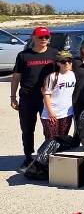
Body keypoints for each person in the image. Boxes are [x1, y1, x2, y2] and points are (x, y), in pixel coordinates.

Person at [10, 26, 57, 171]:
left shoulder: (54, 54)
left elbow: (63, 74)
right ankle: (28, 157)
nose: (43, 40)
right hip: (27, 97)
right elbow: (16, 76)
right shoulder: (23, 55)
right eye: (40, 37)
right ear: (33, 37)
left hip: (47, 99)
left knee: (49, 130)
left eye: (46, 37)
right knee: (27, 129)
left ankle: (46, 157)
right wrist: (13, 97)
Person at [41, 51, 77, 140]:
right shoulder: (52, 77)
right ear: (58, 63)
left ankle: (59, 154)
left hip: (67, 113)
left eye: (69, 61)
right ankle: (47, 154)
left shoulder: (73, 75)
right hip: (52, 113)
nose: (67, 63)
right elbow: (46, 95)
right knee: (51, 140)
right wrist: (50, 111)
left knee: (63, 139)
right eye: (64, 62)